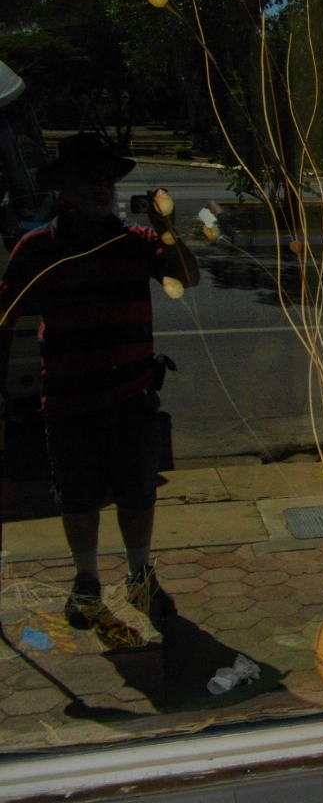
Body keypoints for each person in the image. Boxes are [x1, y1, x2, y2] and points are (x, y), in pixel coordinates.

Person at [0, 132, 200, 633]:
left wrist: (168, 230)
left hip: (132, 398)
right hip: (68, 401)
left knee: (138, 494)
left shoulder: (138, 242)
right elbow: (5, 314)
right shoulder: (36, 248)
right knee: (77, 497)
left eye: (105, 179)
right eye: (86, 178)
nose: (98, 187)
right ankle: (86, 580)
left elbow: (187, 278)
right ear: (64, 187)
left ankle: (139, 574)